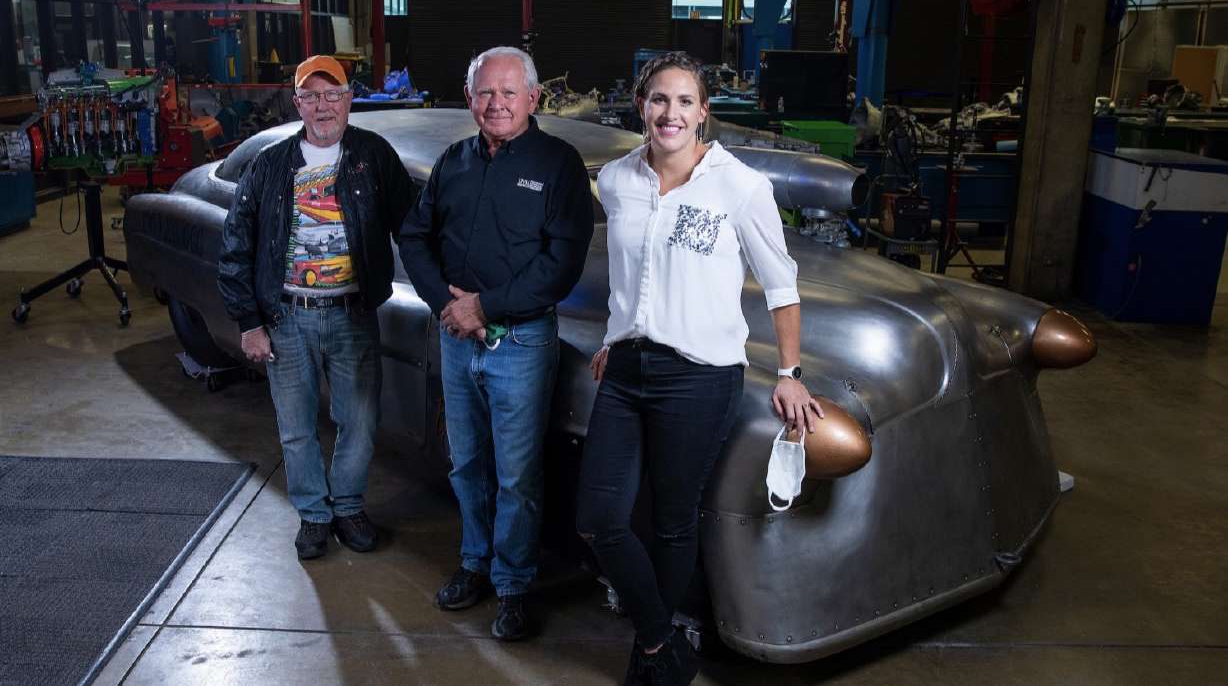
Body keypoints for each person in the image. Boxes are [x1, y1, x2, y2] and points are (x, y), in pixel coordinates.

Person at [575, 52, 824, 685]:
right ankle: (662, 643)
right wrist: (615, 333)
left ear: (704, 112)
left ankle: (649, 655)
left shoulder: (739, 187)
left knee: (671, 518)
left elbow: (781, 285)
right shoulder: (617, 181)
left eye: (685, 102)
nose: (671, 113)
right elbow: (626, 277)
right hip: (627, 371)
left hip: (700, 377)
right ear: (641, 106)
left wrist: (791, 372)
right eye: (659, 99)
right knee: (601, 519)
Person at [398, 46, 594, 641]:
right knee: (466, 464)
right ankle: (474, 563)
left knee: (517, 475)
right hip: (458, 341)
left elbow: (562, 265)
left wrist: (484, 306)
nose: (496, 103)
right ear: (469, 97)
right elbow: (413, 236)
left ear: (533, 99)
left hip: (523, 344)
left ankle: (513, 585)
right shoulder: (453, 162)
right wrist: (449, 306)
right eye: (485, 92)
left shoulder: (560, 165)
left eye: (509, 92)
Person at [218, 55, 412, 561]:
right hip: (287, 317)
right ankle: (314, 514)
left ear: (349, 98)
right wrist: (248, 322)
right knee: (297, 426)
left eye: (333, 94)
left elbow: (413, 230)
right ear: (297, 101)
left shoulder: (374, 156)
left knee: (361, 420)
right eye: (312, 95)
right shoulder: (271, 164)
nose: (323, 106)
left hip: (353, 313)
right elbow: (237, 244)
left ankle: (347, 505)